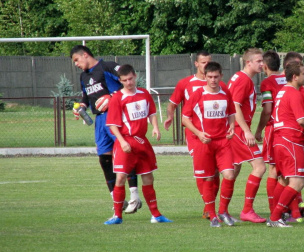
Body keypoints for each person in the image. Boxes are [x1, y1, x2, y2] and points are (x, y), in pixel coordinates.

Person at [70, 45, 141, 215]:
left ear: (85, 55)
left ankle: (135, 197)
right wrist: (82, 105)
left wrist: (112, 96)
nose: (76, 64)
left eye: (76, 60)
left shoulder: (107, 67)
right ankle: (117, 199)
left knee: (126, 154)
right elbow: (87, 96)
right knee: (104, 159)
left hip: (116, 117)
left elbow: (128, 84)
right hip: (100, 120)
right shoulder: (83, 76)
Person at [103, 64, 172, 225]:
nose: (129, 82)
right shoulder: (117, 98)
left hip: (142, 141)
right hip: (125, 142)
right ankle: (117, 216)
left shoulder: (144, 94)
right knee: (120, 177)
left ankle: (156, 215)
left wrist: (155, 127)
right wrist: (122, 141)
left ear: (135, 76)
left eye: (131, 79)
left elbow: (151, 112)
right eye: (125, 80)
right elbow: (112, 124)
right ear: (120, 81)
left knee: (148, 177)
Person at [163, 51, 220, 219]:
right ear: (196, 64)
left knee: (216, 171)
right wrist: (169, 117)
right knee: (203, 171)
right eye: (203, 62)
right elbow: (172, 103)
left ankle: (209, 206)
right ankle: (210, 208)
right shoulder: (185, 83)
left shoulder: (217, 84)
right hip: (194, 134)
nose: (206, 65)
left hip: (214, 134)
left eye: (208, 62)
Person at [182, 62, 237, 227]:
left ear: (221, 76)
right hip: (204, 143)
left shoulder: (225, 92)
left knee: (229, 175)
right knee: (208, 178)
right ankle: (212, 215)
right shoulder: (197, 94)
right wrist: (198, 133)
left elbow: (232, 113)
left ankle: (223, 211)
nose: (213, 80)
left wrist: (232, 126)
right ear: (205, 76)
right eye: (210, 77)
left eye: (216, 77)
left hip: (222, 142)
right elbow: (185, 119)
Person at [267, 61, 304, 227]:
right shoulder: (294, 93)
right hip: (290, 141)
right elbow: (302, 120)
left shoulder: (283, 91)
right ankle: (275, 217)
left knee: (283, 181)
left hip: (279, 140)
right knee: (297, 182)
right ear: (295, 77)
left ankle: (275, 215)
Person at [227, 48, 267, 223]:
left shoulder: (240, 77)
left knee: (232, 171)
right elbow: (234, 107)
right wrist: (247, 130)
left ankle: (219, 210)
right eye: (258, 61)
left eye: (262, 61)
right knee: (259, 167)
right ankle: (247, 210)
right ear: (248, 62)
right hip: (237, 129)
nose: (262, 64)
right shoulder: (243, 80)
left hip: (233, 129)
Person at [254, 50, 287, 215]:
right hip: (291, 129)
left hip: (275, 129)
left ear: (265, 66)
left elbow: (267, 110)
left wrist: (259, 129)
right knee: (288, 170)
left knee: (273, 169)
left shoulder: (267, 83)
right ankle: (290, 208)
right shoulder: (288, 79)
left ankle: (275, 211)